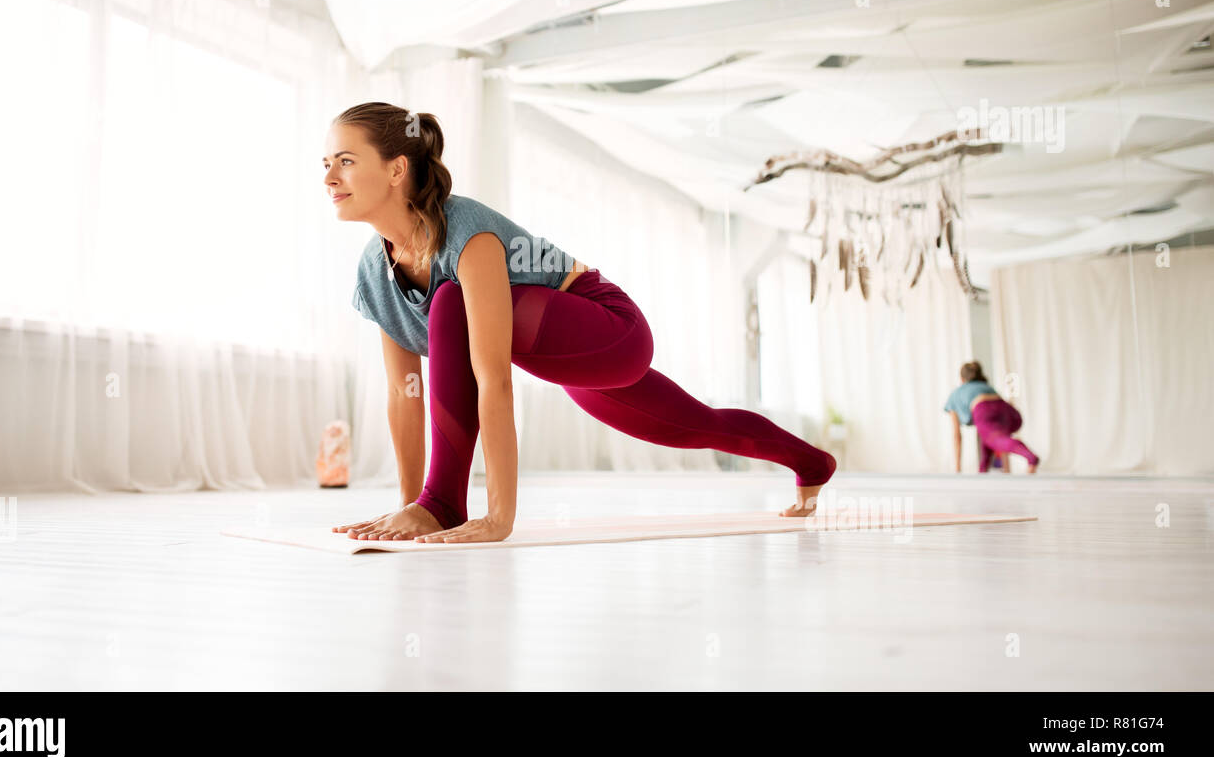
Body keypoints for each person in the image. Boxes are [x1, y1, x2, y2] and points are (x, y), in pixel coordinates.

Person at [323, 102, 837, 543]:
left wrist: (498, 516)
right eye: (325, 164)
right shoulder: (374, 271)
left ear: (396, 170)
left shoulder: (466, 234)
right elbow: (404, 393)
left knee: (448, 302)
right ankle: (812, 463)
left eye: (345, 162)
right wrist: (409, 507)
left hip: (609, 330)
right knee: (696, 425)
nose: (329, 178)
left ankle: (446, 500)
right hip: (566, 361)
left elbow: (493, 378)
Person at [944, 361, 1039, 475]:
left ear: (962, 379)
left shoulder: (955, 394)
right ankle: (985, 471)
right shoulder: (987, 387)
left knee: (994, 439)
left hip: (983, 408)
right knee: (990, 437)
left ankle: (1030, 457)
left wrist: (957, 470)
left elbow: (957, 435)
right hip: (1005, 408)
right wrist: (1007, 470)